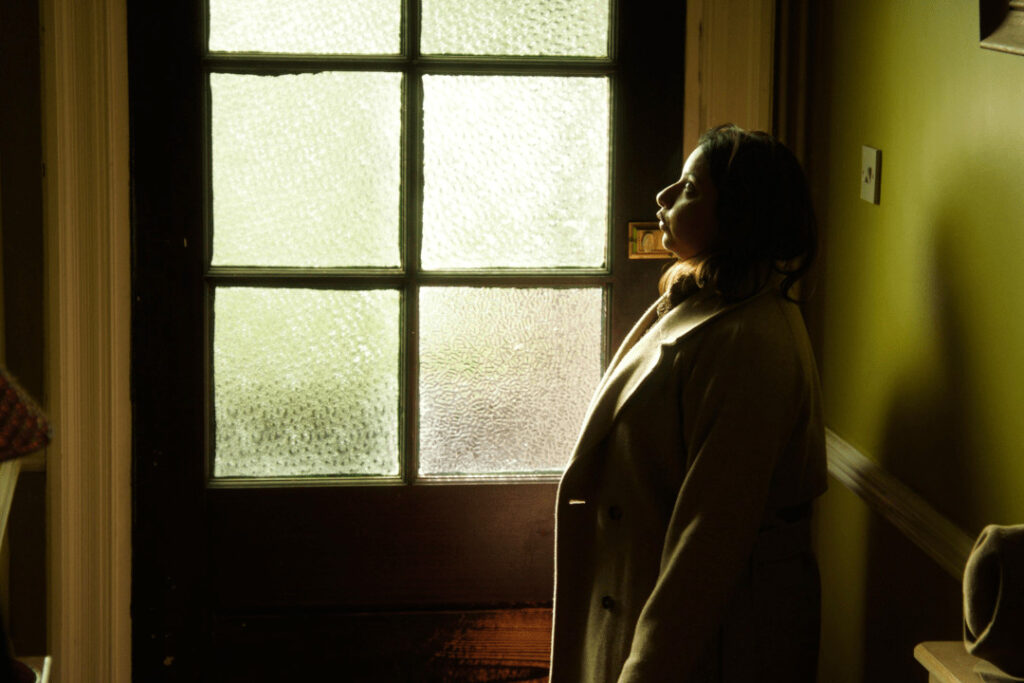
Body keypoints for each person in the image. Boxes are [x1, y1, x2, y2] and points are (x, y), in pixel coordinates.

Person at [549, 124, 827, 683]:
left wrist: (645, 671)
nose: (663, 197)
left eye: (691, 188)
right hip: (651, 605)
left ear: (741, 214)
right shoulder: (708, 303)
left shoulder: (750, 341)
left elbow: (709, 541)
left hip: (715, 645)